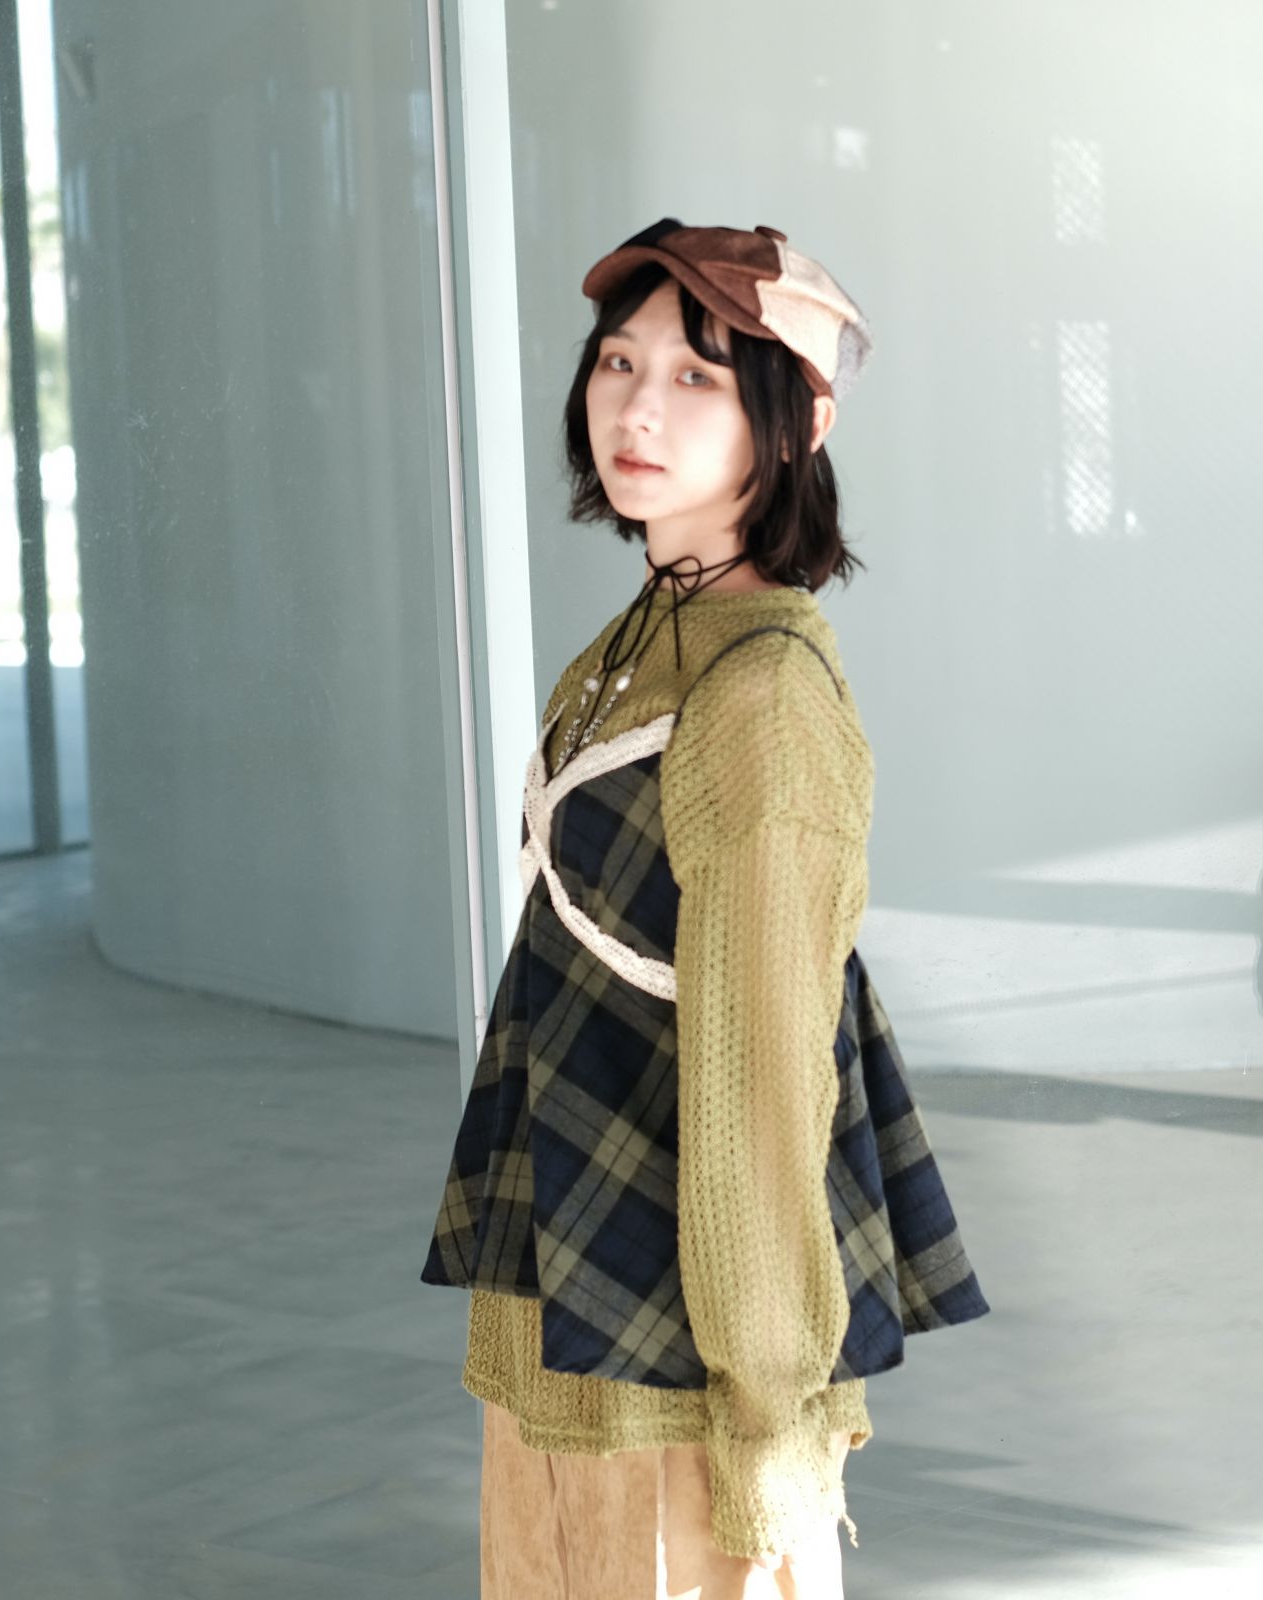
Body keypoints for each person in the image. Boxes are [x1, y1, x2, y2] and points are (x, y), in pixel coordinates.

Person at [419, 218, 991, 1598]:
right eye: (619, 362)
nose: (636, 406)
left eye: (696, 377)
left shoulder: (763, 693)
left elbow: (768, 1079)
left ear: (798, 423)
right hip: (576, 1268)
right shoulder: (641, 639)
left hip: (687, 1314)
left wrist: (769, 1413)